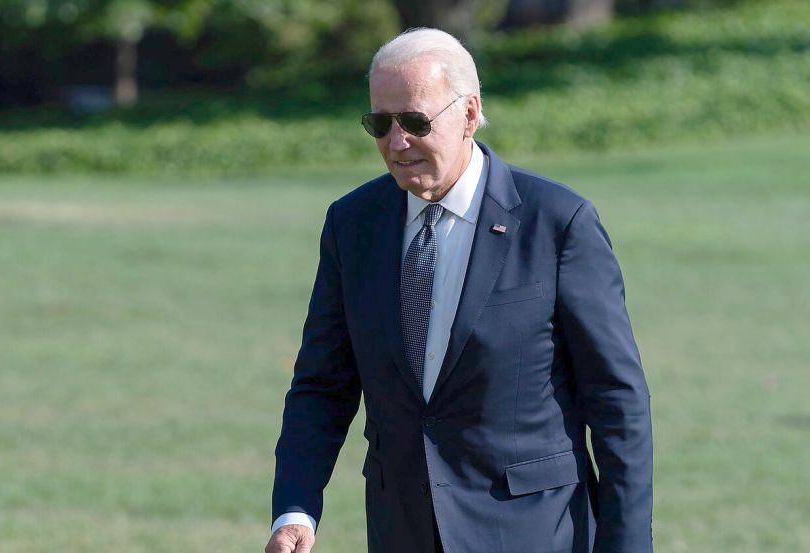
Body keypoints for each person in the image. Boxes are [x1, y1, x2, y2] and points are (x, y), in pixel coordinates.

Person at [265, 28, 652, 553]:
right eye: (379, 123)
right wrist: (295, 508)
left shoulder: (558, 223)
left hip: (534, 534)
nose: (396, 142)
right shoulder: (352, 224)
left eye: (415, 122)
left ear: (469, 113)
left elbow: (616, 402)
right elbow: (321, 385)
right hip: (402, 532)